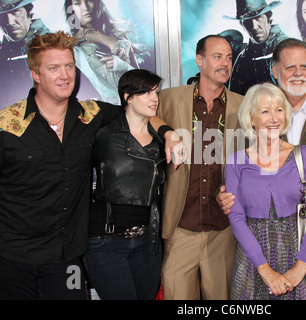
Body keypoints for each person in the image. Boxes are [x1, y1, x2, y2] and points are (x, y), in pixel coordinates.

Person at [0, 31, 181, 300]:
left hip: (66, 258)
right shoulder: (7, 125)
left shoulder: (91, 114)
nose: (65, 75)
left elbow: (138, 112)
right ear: (35, 74)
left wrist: (168, 133)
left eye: (69, 66)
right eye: (53, 68)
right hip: (12, 258)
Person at [219, 38, 306, 217]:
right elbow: (229, 168)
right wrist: (222, 193)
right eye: (290, 67)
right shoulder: (250, 118)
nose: (298, 74)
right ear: (275, 71)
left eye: (304, 67)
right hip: (264, 230)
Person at [157, 35, 244, 300]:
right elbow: (141, 113)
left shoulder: (243, 106)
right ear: (199, 60)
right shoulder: (169, 99)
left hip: (223, 229)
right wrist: (166, 132)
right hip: (181, 225)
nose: (225, 63)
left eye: (229, 58)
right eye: (217, 56)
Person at [226, 82, 306, 300]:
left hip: (300, 259)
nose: (274, 118)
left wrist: (301, 267)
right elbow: (236, 218)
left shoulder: (305, 155)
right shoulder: (235, 162)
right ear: (251, 119)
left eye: (279, 110)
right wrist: (266, 271)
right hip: (253, 264)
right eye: (265, 111)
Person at [83, 69, 166, 300]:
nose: (154, 98)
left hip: (148, 243)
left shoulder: (161, 142)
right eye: (146, 92)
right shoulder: (104, 136)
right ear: (127, 96)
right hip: (106, 241)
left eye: (156, 92)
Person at [64, 0, 143, 104]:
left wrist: (123, 65)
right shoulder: (73, 44)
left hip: (138, 103)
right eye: (78, 3)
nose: (85, 7)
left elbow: (142, 81)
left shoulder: (118, 34)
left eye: (89, 1)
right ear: (71, 8)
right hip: (113, 108)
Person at [224, 0, 288, 95]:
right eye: (247, 21)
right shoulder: (243, 57)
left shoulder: (289, 48)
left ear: (269, 19)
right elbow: (234, 98)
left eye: (258, 18)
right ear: (243, 25)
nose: (254, 27)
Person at [0, 0, 49, 107]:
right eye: (2, 15)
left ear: (29, 13)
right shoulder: (3, 52)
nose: (10, 21)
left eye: (15, 12)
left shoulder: (53, 47)